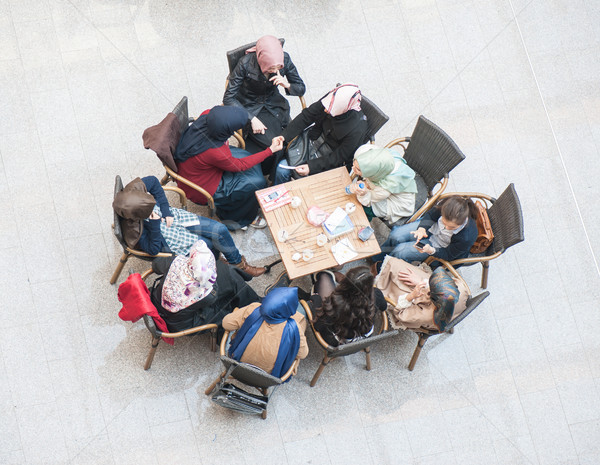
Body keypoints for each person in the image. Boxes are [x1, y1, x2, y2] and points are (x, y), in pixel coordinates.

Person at [112, 175, 266, 277]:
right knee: (208, 245)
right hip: (164, 238)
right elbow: (153, 249)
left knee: (219, 230)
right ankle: (221, 266)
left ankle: (238, 264)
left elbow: (152, 181)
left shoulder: (135, 192)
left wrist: (165, 212)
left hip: (173, 218)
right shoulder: (135, 232)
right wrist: (153, 224)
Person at [174, 105, 284, 230]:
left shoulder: (208, 114)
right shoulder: (216, 152)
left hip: (196, 162)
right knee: (255, 181)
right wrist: (269, 150)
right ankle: (238, 219)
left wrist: (252, 119)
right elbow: (240, 166)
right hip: (201, 185)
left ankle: (249, 200)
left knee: (249, 159)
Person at [223, 35, 305, 171]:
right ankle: (275, 176)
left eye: (279, 67)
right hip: (251, 107)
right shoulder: (245, 63)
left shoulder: (284, 58)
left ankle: (278, 173)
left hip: (274, 104)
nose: (275, 71)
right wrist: (251, 118)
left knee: (286, 140)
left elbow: (301, 88)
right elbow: (228, 98)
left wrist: (288, 85)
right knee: (276, 144)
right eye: (271, 68)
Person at [149, 240, 261, 333]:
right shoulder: (205, 295)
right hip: (181, 325)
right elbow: (214, 295)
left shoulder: (176, 263)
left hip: (158, 301)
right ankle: (254, 311)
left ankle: (250, 299)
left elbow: (156, 264)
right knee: (228, 301)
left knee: (228, 274)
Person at [274, 83, 369, 185]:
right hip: (313, 138)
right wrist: (283, 136)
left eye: (331, 109)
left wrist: (311, 167)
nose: (325, 109)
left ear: (343, 109)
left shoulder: (357, 129)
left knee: (287, 173)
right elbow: (308, 115)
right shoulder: (332, 99)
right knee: (281, 169)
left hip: (329, 158)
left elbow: (340, 157)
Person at [222, 287, 308, 377]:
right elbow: (302, 354)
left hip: (236, 363)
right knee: (301, 314)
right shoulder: (294, 327)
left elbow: (226, 324)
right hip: (268, 377)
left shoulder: (253, 309)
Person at [374, 195, 478, 266]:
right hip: (430, 229)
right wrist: (422, 228)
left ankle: (383, 269)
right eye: (444, 222)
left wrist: (431, 250)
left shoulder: (467, 237)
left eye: (452, 228)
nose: (446, 228)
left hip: (439, 247)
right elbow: (431, 215)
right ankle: (376, 258)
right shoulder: (446, 205)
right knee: (396, 235)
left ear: (461, 223)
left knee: (400, 251)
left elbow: (448, 255)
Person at [375, 257, 468, 331]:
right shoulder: (459, 287)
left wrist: (411, 296)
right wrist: (422, 281)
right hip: (433, 299)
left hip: (415, 308)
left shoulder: (427, 315)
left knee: (394, 286)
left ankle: (380, 281)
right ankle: (385, 275)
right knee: (395, 265)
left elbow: (402, 315)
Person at [310, 266, 387, 347]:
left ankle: (328, 274)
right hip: (365, 338)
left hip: (337, 343)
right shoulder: (376, 295)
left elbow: (317, 326)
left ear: (344, 285)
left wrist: (316, 301)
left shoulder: (335, 306)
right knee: (325, 277)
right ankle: (330, 274)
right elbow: (383, 307)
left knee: (323, 277)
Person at [349, 143, 417, 224]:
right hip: (394, 189)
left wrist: (363, 193)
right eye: (354, 163)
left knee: (364, 207)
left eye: (358, 169)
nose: (353, 169)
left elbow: (370, 199)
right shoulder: (382, 158)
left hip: (398, 202)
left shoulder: (387, 185)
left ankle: (363, 223)